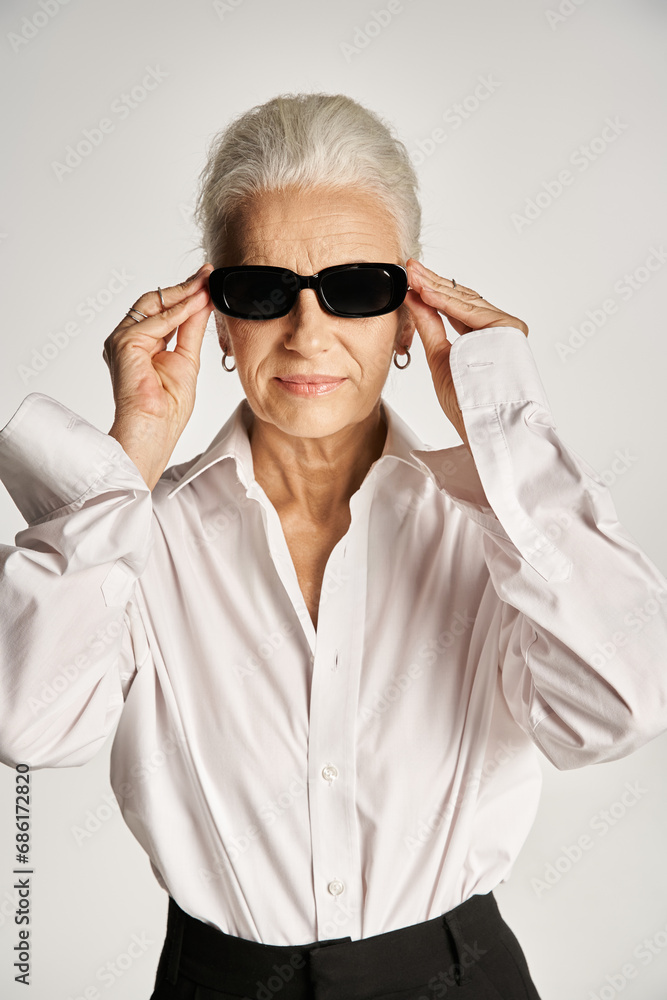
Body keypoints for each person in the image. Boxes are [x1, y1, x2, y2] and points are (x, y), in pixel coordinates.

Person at [1, 92, 666, 1000]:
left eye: (356, 288)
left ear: (406, 318)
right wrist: (130, 454)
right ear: (220, 322)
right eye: (263, 291)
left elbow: (623, 708)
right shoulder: (136, 537)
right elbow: (26, 723)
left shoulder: (502, 528)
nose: (307, 333)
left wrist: (508, 427)